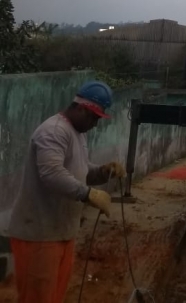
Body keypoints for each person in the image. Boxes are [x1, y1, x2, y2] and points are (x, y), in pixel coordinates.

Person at [8, 80, 126, 303]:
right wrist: (88, 194)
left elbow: (78, 170)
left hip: (60, 232)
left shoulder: (76, 133)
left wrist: (103, 171)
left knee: (53, 297)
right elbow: (52, 174)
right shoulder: (53, 132)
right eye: (93, 117)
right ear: (80, 108)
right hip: (39, 235)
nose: (95, 124)